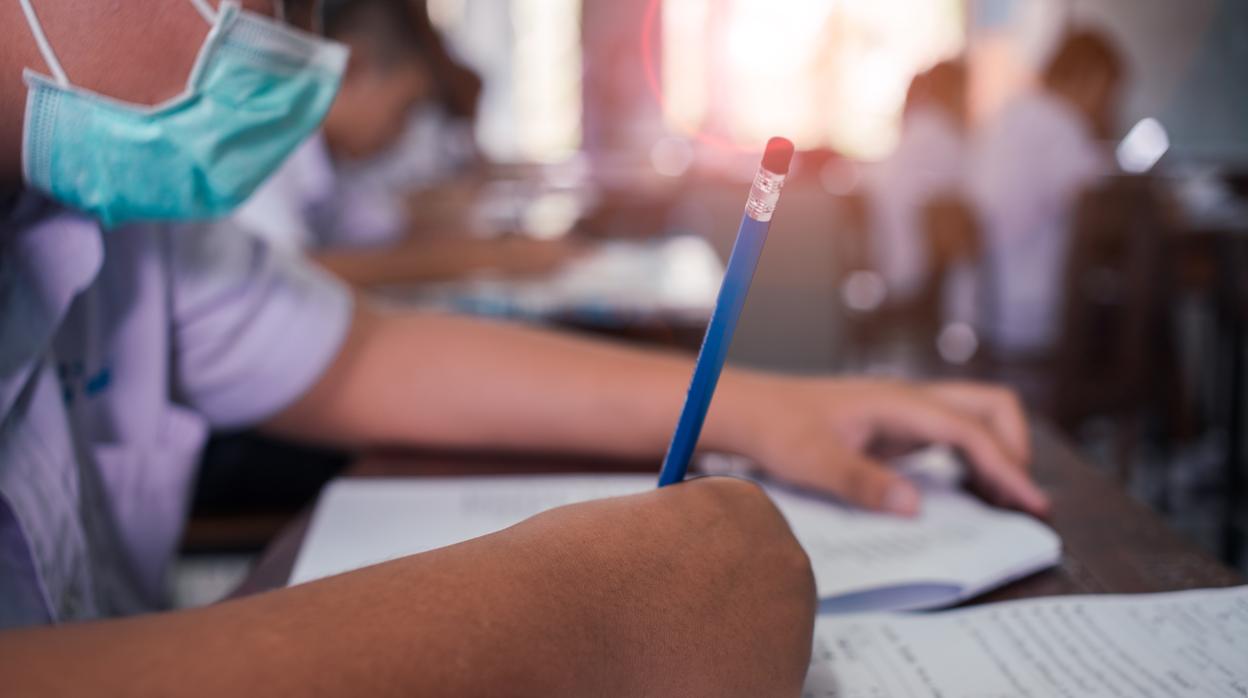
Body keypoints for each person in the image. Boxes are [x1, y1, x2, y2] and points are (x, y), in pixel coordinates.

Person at [0, 0, 1047, 694]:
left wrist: (769, 405)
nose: (272, 30)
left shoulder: (122, 220)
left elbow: (362, 354)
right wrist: (573, 613)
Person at [232, 0, 575, 287]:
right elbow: (287, 277)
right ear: (354, 68)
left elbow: (380, 226)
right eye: (404, 108)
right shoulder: (261, 145)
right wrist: (493, 257)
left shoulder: (333, 163)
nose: (403, 130)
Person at [969, 28, 1125, 356]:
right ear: (1092, 78)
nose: (1106, 107)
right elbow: (1107, 207)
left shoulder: (1011, 114)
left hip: (983, 307)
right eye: (1109, 94)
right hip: (1031, 317)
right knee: (1148, 310)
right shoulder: (1059, 123)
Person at [865, 60, 969, 305]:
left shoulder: (918, 130)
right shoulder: (941, 137)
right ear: (955, 90)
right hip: (915, 276)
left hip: (890, 268)